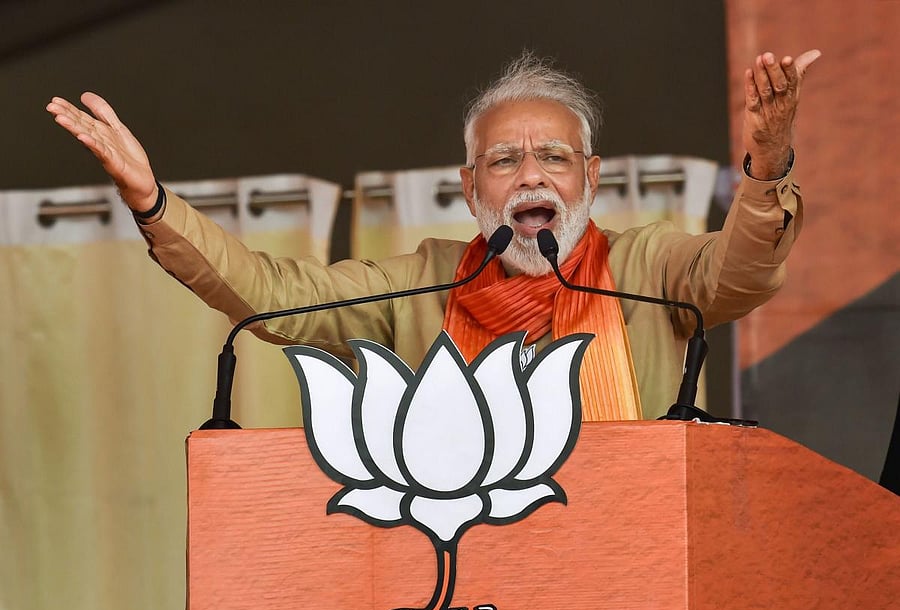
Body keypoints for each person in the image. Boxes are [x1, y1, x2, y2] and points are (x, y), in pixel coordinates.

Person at [46, 50, 820, 421]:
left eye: (553, 158)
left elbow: (740, 275)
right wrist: (153, 203)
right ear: (469, 187)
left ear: (590, 178)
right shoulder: (424, 284)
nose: (531, 177)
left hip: (630, 577)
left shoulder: (648, 264)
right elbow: (276, 298)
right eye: (504, 160)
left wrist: (770, 163)